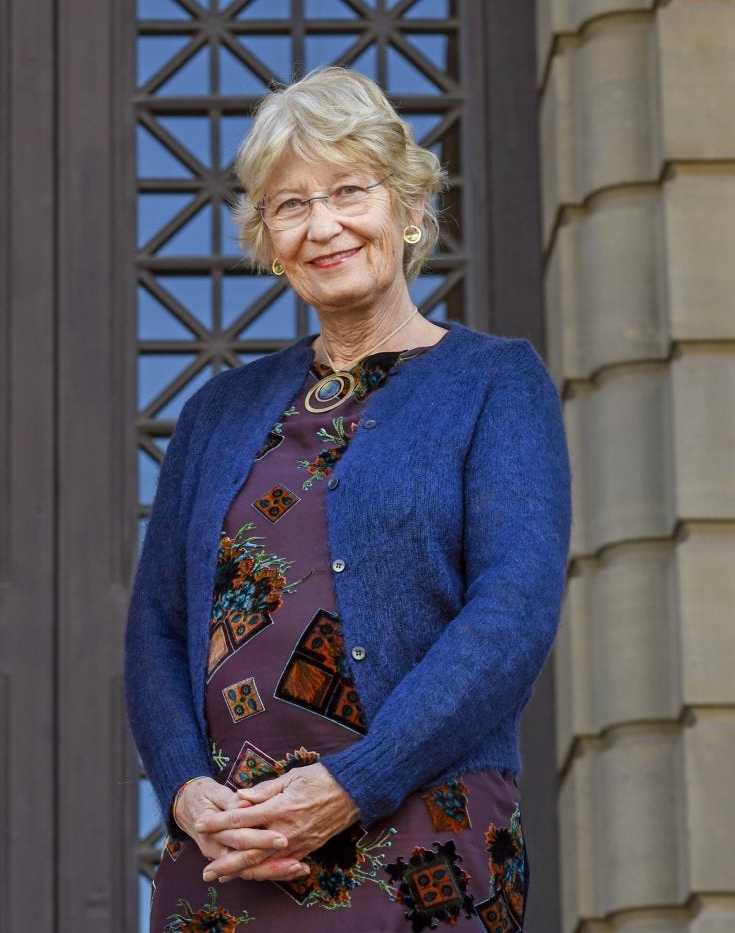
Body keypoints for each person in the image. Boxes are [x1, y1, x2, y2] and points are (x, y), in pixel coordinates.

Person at [124, 67, 569, 931]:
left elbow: (512, 610)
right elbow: (157, 624)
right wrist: (184, 789)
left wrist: (353, 782)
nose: (322, 225)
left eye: (348, 191)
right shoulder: (217, 411)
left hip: (423, 835)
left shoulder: (494, 382)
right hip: (235, 849)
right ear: (267, 238)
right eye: (289, 206)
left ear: (406, 208)